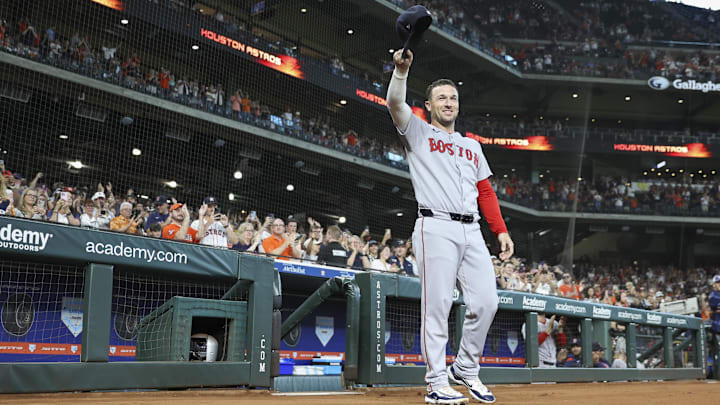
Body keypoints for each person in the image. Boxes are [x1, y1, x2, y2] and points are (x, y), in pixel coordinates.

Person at [387, 45, 513, 404]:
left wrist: (500, 230)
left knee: (487, 301)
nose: (448, 102)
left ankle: (466, 368)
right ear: (429, 105)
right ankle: (435, 381)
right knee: (438, 305)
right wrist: (401, 72)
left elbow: (485, 191)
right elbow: (395, 104)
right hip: (435, 225)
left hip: (472, 230)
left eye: (452, 97)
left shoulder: (471, 146)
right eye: (440, 98)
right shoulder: (418, 133)